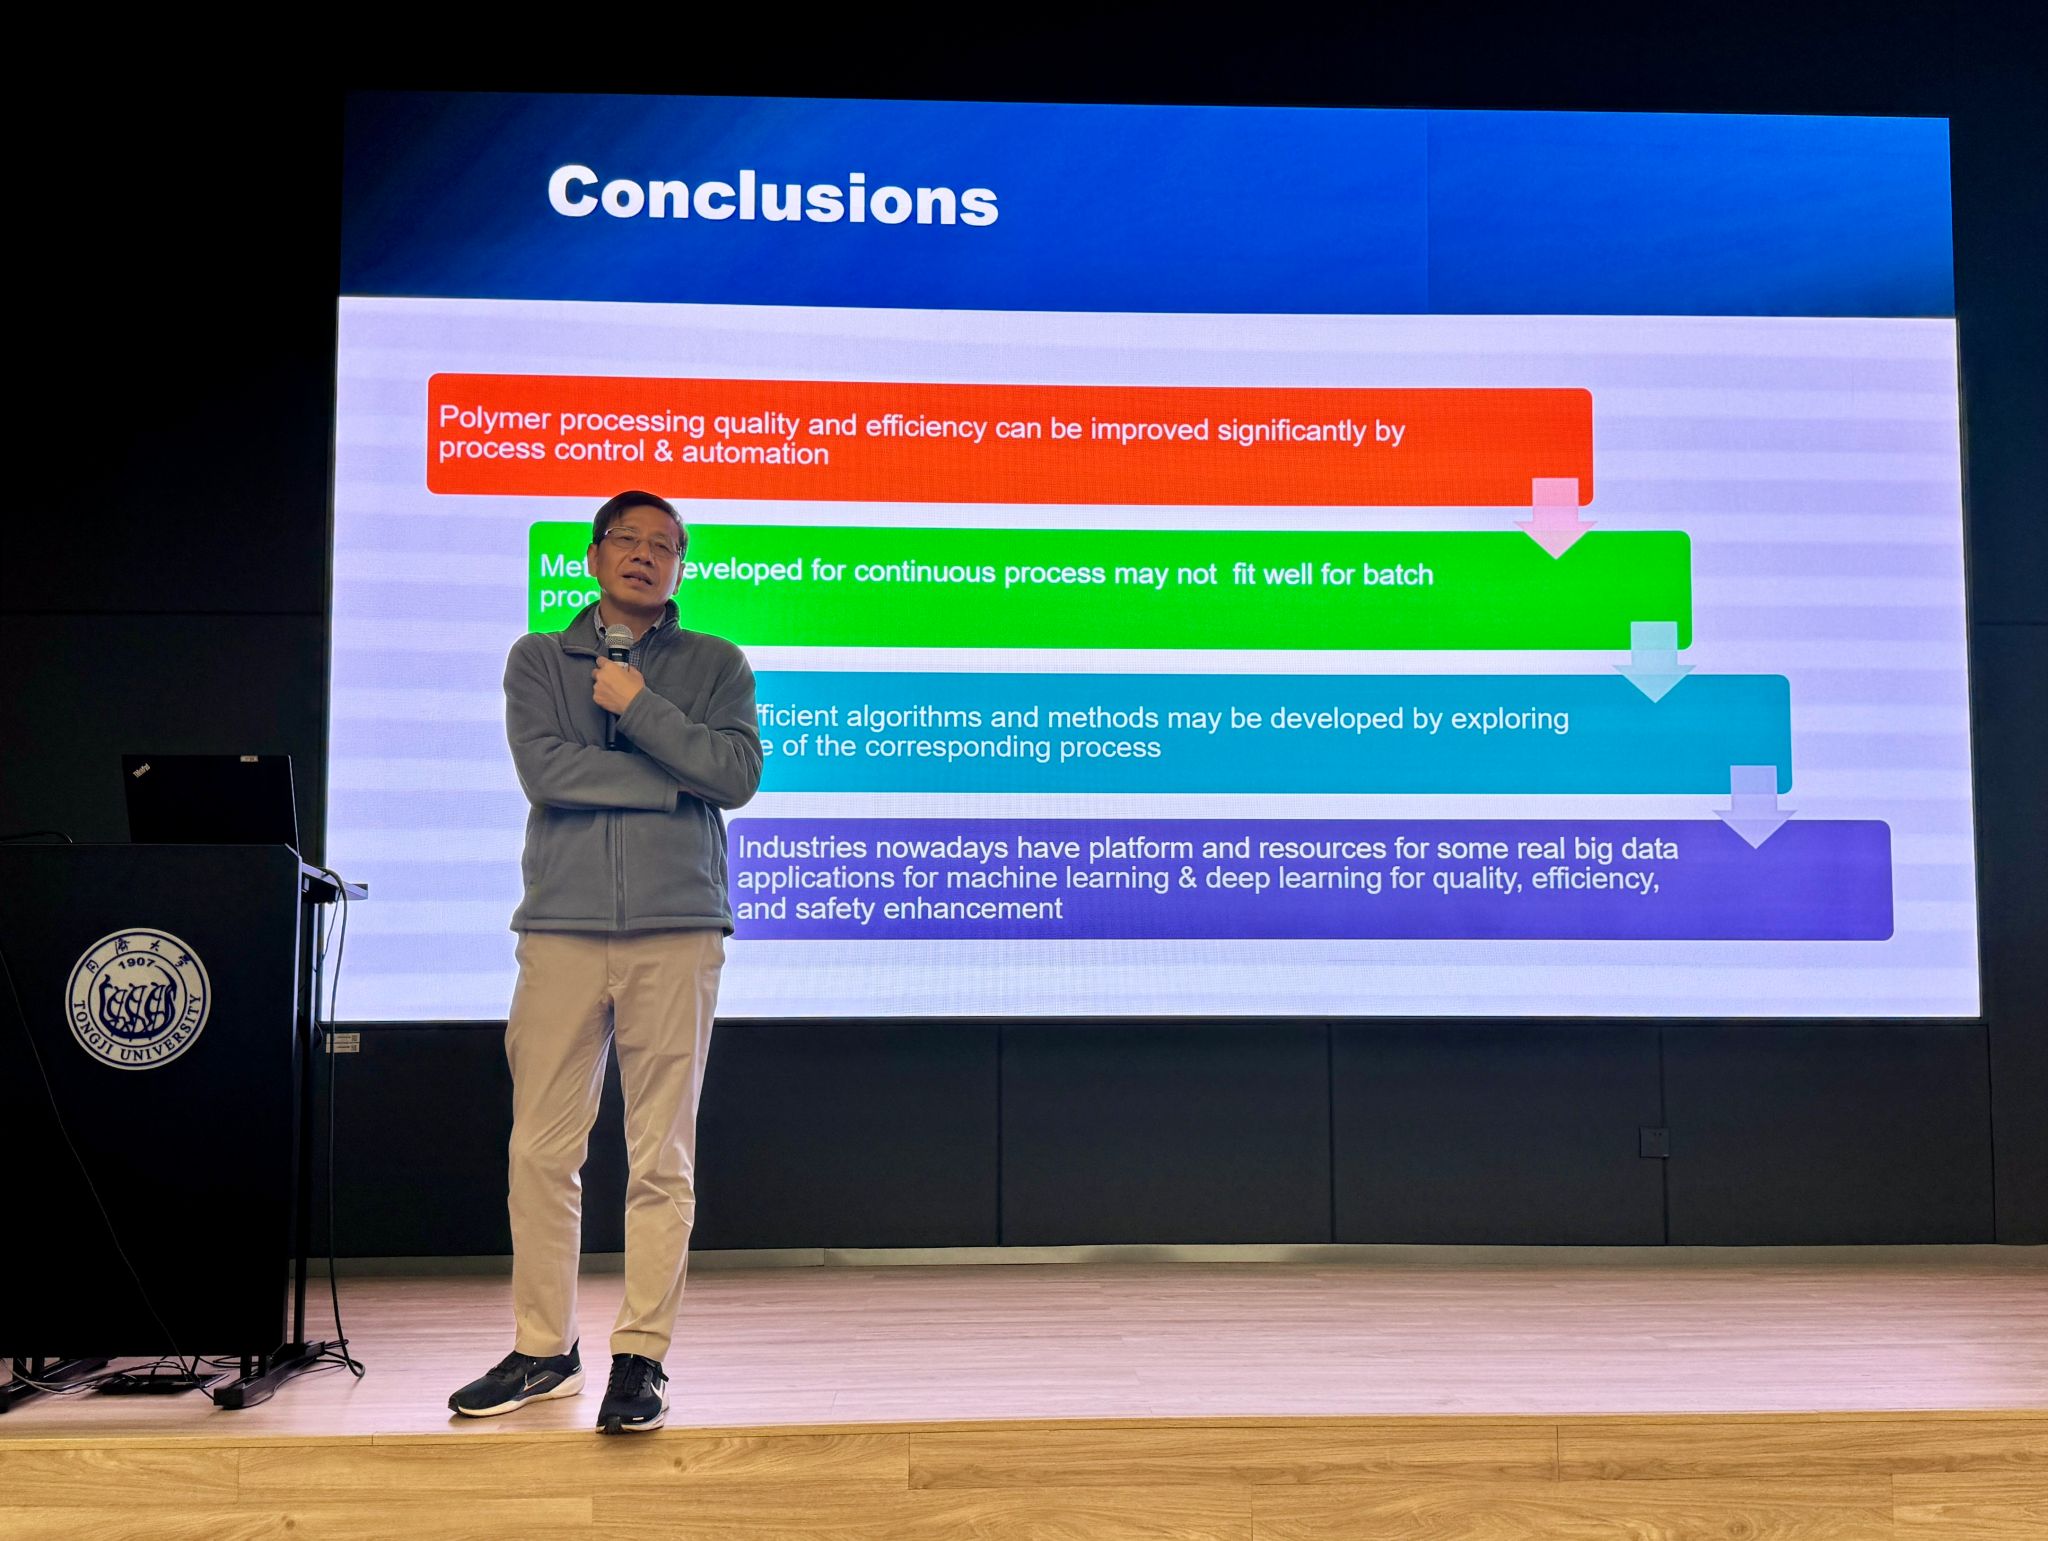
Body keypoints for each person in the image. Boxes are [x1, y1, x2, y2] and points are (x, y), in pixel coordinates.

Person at [448, 491, 762, 1433]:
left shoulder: (717, 664)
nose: (645, 554)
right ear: (592, 556)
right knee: (541, 1149)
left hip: (679, 925)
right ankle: (544, 1349)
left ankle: (641, 1356)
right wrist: (671, 779)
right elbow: (547, 772)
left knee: (662, 1155)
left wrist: (641, 708)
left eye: (664, 544)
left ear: (680, 567)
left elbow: (736, 776)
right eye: (627, 538)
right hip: (562, 928)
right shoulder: (539, 658)